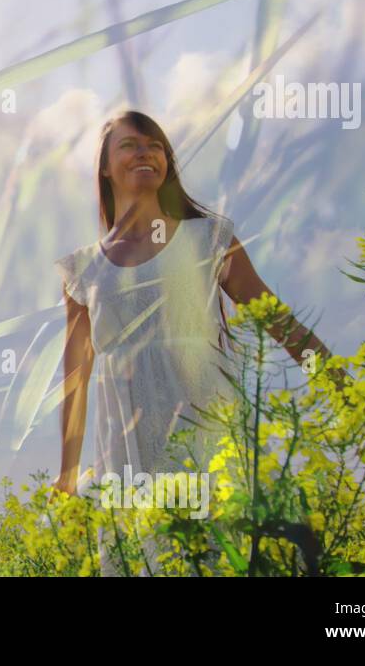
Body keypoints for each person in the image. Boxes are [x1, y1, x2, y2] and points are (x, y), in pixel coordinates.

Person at [52, 110, 331, 575]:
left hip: (211, 434)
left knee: (229, 557)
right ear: (104, 167)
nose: (145, 153)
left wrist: (353, 394)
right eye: (129, 145)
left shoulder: (208, 239)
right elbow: (75, 380)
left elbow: (278, 320)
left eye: (155, 145)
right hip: (127, 449)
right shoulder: (83, 272)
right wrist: (66, 476)